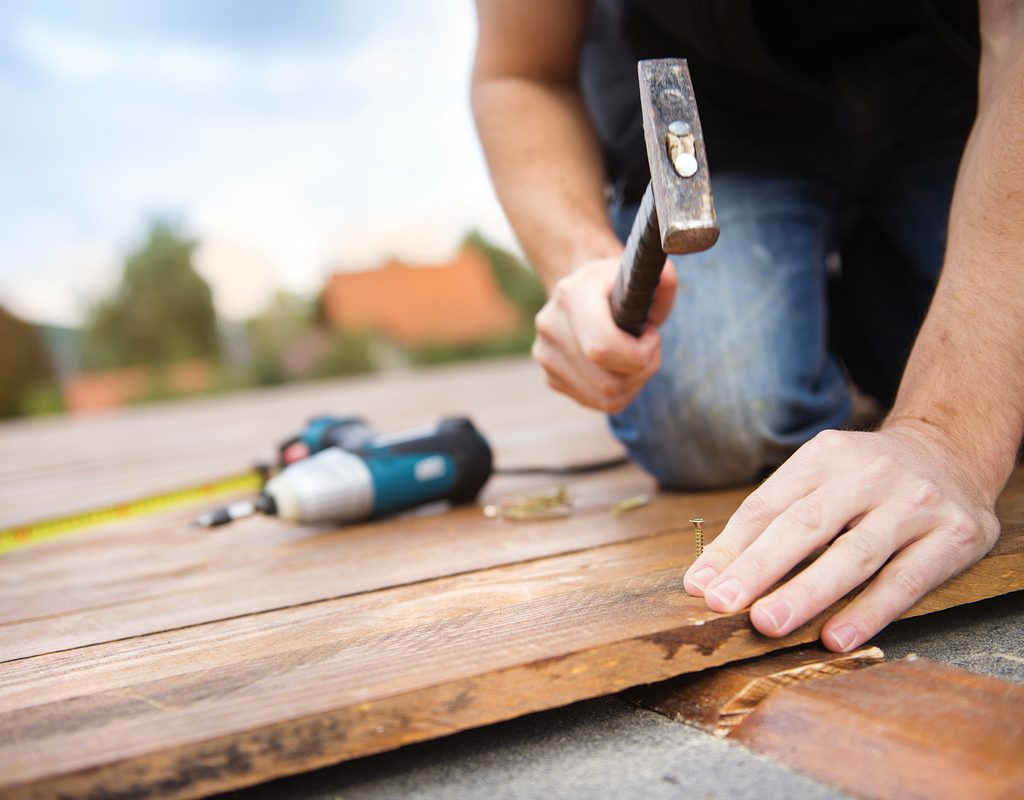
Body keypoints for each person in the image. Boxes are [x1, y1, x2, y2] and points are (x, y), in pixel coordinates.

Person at [471, 0, 1024, 652]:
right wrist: (582, 259)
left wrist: (949, 434)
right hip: (727, 116)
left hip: (960, 83)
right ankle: (844, 319)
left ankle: (862, 303)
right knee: (716, 416)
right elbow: (521, 72)